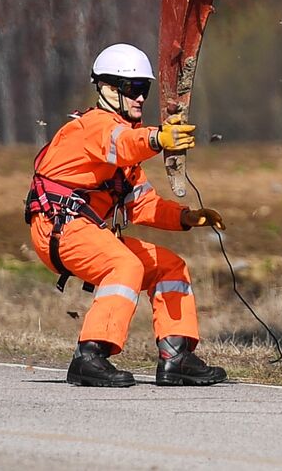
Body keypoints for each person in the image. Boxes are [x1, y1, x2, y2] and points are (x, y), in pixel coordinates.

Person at [24, 43, 228, 387]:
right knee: (125, 265)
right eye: (133, 89)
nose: (140, 98)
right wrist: (159, 138)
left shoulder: (125, 148)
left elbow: (143, 205)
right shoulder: (95, 127)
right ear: (106, 89)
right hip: (59, 228)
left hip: (84, 230)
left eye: (144, 90)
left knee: (169, 266)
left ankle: (176, 356)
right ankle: (90, 355)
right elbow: (124, 143)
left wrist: (187, 217)